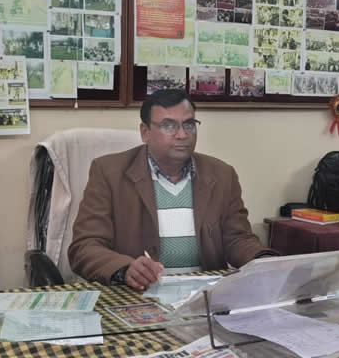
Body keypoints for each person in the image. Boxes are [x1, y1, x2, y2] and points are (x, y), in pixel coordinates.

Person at [68, 90, 277, 290]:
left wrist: (264, 260)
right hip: (137, 295)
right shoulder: (109, 173)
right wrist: (124, 269)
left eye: (189, 125)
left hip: (204, 296)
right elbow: (84, 247)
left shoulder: (222, 175)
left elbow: (237, 238)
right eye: (169, 126)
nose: (182, 135)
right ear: (145, 132)